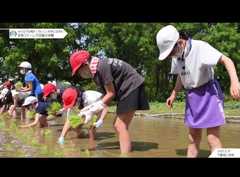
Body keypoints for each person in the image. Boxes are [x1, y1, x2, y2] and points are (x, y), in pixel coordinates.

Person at [156, 25, 240, 157]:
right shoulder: (176, 56)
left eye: (171, 52)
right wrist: (173, 93)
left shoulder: (200, 47)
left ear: (179, 42)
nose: (170, 56)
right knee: (192, 138)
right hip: (192, 96)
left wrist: (235, 82)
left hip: (209, 93)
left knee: (212, 138)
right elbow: (180, 75)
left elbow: (227, 60)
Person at [69, 50, 149, 154]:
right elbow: (106, 96)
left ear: (85, 64)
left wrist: (93, 109)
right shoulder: (98, 69)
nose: (80, 74)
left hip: (131, 86)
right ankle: (126, 150)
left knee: (119, 125)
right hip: (128, 88)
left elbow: (111, 93)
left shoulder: (101, 67)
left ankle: (125, 154)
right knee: (120, 126)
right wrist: (88, 109)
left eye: (79, 71)